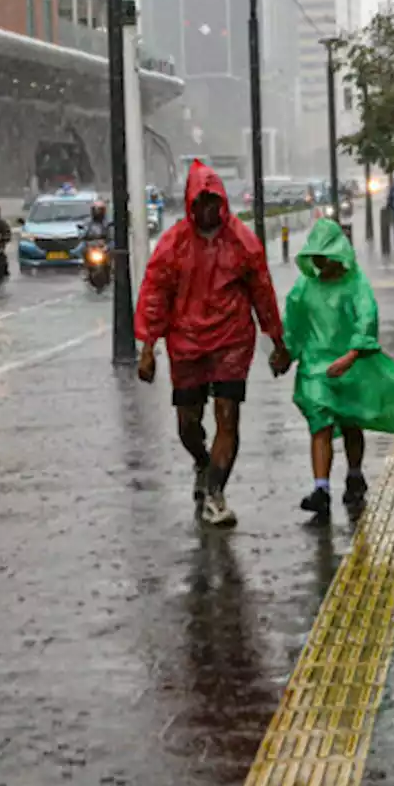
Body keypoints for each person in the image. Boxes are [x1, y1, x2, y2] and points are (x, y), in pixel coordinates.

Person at [135, 160, 287, 525]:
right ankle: (203, 463)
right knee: (188, 424)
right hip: (186, 342)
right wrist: (147, 347)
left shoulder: (241, 242)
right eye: (201, 203)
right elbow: (155, 294)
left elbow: (262, 292)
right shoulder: (173, 245)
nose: (208, 211)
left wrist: (276, 341)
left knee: (227, 415)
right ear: (191, 204)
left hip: (232, 340)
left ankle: (216, 493)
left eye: (213, 203)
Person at [271, 218, 394, 522]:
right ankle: (321, 489)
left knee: (351, 422)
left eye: (324, 255)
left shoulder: (355, 284)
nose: (320, 262)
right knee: (320, 424)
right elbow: (294, 325)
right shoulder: (304, 287)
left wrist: (352, 355)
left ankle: (354, 474)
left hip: (349, 364)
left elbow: (367, 319)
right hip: (315, 368)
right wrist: (285, 353)